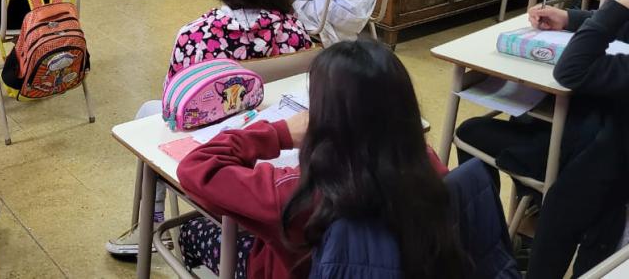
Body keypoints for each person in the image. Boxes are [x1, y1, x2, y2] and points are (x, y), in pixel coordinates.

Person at [176, 41, 467, 278]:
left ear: (325, 116)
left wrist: (281, 133)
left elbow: (195, 166)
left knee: (194, 229)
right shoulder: (426, 164)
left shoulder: (294, 192)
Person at [105, 0, 314, 257]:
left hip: (214, 159)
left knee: (150, 112)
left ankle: (153, 216)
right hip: (279, 150)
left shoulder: (195, 36)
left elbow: (176, 107)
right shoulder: (293, 28)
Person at [456, 0, 629, 278]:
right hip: (593, 146)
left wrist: (620, 4)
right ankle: (519, 227)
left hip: (587, 160)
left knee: (470, 132)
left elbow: (571, 70)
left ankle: (499, 245)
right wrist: (568, 18)